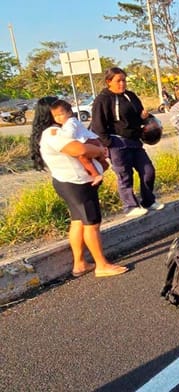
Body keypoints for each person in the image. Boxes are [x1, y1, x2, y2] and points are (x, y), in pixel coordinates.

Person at [30, 96, 129, 278]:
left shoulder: (55, 132)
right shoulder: (53, 134)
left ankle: (80, 263)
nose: (64, 116)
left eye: (65, 112)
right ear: (49, 115)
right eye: (58, 113)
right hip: (77, 184)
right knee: (92, 224)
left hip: (69, 182)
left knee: (78, 222)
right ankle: (101, 265)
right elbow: (80, 150)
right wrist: (100, 151)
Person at [90, 67, 164, 218]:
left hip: (134, 140)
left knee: (148, 171)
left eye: (124, 80)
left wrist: (144, 116)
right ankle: (130, 206)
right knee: (124, 175)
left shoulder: (130, 96)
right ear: (109, 82)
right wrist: (108, 143)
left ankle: (148, 200)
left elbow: (139, 116)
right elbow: (98, 125)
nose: (122, 84)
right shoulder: (102, 100)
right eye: (118, 81)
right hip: (117, 142)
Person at [49, 99, 108, 186]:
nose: (58, 118)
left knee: (83, 158)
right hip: (89, 140)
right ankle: (102, 165)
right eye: (55, 116)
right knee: (88, 158)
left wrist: (58, 132)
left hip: (89, 141)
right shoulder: (68, 123)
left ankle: (95, 175)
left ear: (69, 113)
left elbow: (69, 135)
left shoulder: (71, 122)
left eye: (61, 114)